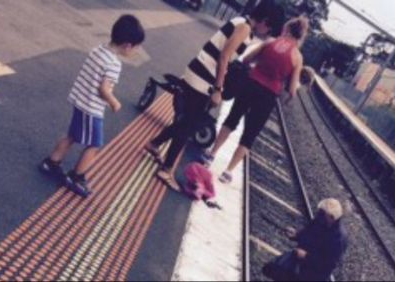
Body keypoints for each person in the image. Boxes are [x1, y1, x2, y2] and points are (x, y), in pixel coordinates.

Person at [145, 0, 285, 191]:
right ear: (265, 21)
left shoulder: (240, 22)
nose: (266, 33)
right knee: (189, 125)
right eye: (269, 29)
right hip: (203, 78)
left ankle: (154, 144)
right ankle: (166, 169)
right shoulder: (244, 28)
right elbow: (224, 57)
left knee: (188, 120)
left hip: (199, 72)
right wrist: (218, 89)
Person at [39, 15, 145, 197]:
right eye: (136, 46)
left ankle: (51, 163)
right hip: (91, 108)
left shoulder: (98, 49)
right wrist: (114, 102)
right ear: (127, 45)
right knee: (94, 145)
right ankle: (76, 177)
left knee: (72, 135)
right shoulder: (114, 63)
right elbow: (104, 89)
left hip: (80, 100)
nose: (136, 50)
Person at [202, 17, 312, 183]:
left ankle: (211, 154)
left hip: (250, 85)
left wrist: (259, 67)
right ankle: (228, 171)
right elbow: (291, 89)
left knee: (232, 120)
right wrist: (288, 95)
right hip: (267, 97)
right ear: (301, 36)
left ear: (287, 29)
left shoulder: (270, 42)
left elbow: (247, 60)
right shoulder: (297, 57)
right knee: (250, 134)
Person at [265, 198, 348, 281]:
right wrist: (296, 235)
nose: (319, 214)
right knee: (272, 269)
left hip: (314, 274)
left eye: (323, 213)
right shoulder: (321, 220)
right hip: (300, 260)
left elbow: (327, 265)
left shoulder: (338, 239)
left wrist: (306, 256)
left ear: (332, 217)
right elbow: (308, 231)